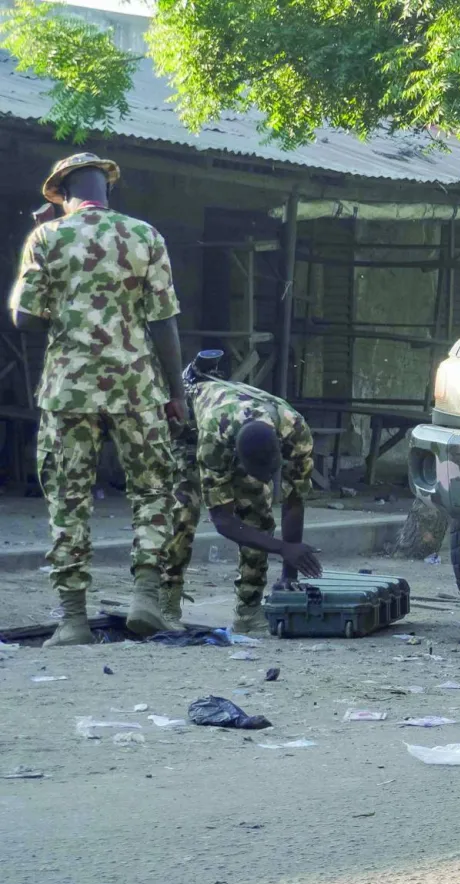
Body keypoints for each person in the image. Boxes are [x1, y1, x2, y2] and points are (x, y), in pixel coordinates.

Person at [7, 153, 186, 645]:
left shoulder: (46, 237)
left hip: (69, 390)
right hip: (138, 386)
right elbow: (164, 322)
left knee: (69, 500)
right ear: (107, 188)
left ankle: (72, 620)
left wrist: (55, 281)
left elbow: (24, 319)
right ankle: (147, 596)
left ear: (62, 193)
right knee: (152, 490)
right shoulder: (145, 235)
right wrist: (176, 393)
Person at [160, 375, 321, 634]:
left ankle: (248, 610)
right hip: (190, 431)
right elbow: (222, 520)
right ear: (238, 460)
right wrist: (283, 548)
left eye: (271, 473)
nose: (267, 479)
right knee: (183, 513)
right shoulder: (214, 439)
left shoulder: (295, 430)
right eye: (257, 472)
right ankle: (166, 601)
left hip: (239, 424)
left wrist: (290, 574)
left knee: (258, 517)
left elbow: (294, 499)